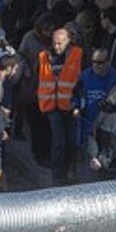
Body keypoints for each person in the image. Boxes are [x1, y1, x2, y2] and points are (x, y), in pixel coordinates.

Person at [36, 28, 83, 184]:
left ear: (68, 41)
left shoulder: (78, 54)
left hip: (71, 106)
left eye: (60, 43)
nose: (56, 47)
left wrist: (79, 103)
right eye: (54, 43)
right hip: (52, 106)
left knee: (73, 142)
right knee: (59, 143)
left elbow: (82, 80)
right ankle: (58, 178)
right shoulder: (44, 56)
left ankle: (72, 172)